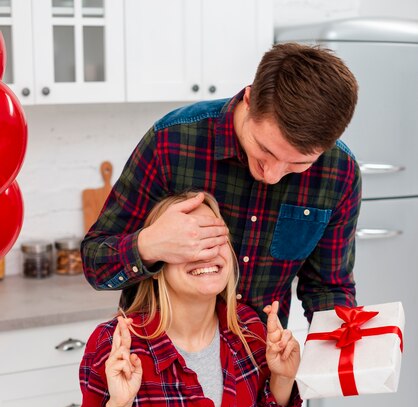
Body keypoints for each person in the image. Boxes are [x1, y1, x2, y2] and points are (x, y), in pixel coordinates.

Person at [70, 192, 302, 407]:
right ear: (157, 258)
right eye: (191, 241)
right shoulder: (117, 345)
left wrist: (282, 379)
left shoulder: (250, 330)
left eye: (216, 238)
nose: (207, 251)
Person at [81, 42, 361, 328]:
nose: (273, 175)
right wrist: (149, 245)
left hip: (259, 366)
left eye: (298, 165)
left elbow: (328, 289)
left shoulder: (339, 172)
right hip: (156, 364)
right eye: (266, 150)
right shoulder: (172, 142)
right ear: (250, 100)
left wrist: (344, 354)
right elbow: (95, 263)